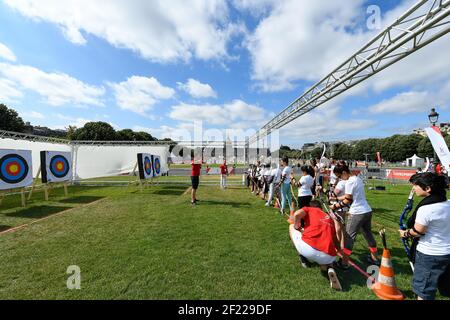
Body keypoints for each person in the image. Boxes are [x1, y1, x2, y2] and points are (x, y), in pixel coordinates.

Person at [399, 172, 450, 300]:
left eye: (416, 185)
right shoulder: (447, 203)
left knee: (424, 291)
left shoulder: (426, 209)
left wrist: (405, 233)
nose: (413, 188)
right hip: (447, 253)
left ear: (428, 189)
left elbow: (418, 231)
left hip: (430, 255)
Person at [330, 164, 380, 269]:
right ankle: (375, 259)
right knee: (368, 235)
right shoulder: (357, 178)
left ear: (344, 173)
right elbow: (350, 196)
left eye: (339, 176)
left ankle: (343, 263)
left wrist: (335, 206)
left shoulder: (349, 182)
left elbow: (348, 200)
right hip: (367, 210)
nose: (339, 179)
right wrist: (337, 198)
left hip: (357, 212)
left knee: (348, 238)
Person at [290, 200, 342, 290]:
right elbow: (335, 239)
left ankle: (303, 259)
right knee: (324, 260)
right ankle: (329, 268)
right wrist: (339, 250)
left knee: (291, 227)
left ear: (311, 206)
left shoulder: (309, 209)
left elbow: (296, 214)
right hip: (329, 256)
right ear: (321, 208)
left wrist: (296, 226)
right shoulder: (329, 217)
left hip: (309, 249)